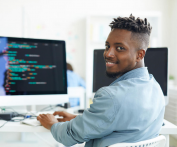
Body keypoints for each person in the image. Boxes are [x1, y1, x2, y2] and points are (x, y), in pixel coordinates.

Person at [37, 14, 165, 147]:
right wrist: (80, 119)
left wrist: (52, 124)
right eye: (107, 46)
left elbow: (68, 136)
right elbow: (123, 127)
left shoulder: (111, 96)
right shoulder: (156, 88)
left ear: (140, 55)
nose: (108, 54)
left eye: (120, 48)